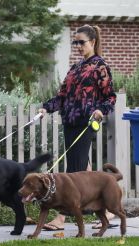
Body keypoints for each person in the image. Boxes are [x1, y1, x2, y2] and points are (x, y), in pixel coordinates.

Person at [38, 24, 117, 231]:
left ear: (92, 42)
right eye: (76, 42)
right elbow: (62, 97)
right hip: (70, 122)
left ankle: (61, 218)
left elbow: (110, 97)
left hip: (85, 123)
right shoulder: (74, 68)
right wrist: (46, 108)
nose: (78, 46)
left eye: (81, 42)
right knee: (85, 169)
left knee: (72, 171)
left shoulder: (100, 66)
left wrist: (101, 111)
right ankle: (107, 211)